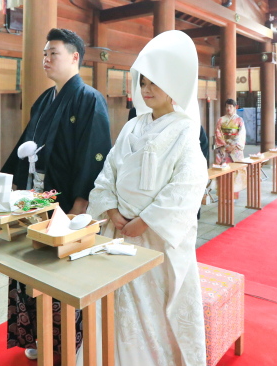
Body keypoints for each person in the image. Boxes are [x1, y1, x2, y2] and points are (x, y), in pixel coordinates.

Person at [88, 30, 208, 366]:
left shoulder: (185, 131)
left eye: (155, 81)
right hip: (119, 231)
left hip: (155, 239)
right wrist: (111, 211)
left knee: (153, 310)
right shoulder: (132, 127)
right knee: (113, 305)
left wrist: (146, 220)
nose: (147, 88)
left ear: (175, 86)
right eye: (143, 82)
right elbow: (109, 171)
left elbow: (187, 185)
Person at [0, 28, 112, 361]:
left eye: (54, 53)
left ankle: (64, 343)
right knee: (27, 269)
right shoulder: (43, 100)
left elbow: (95, 154)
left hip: (65, 205)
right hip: (34, 200)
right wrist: (14, 185)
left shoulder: (90, 99)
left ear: (75, 57)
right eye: (45, 54)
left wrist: (81, 204)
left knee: (58, 275)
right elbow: (25, 147)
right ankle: (33, 333)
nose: (46, 60)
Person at [214, 99, 246, 192]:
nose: (228, 108)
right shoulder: (221, 119)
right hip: (223, 148)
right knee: (222, 170)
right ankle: (222, 193)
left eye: (230, 107)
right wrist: (224, 145)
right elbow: (218, 133)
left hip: (235, 149)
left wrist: (234, 145)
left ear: (235, 107)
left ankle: (234, 194)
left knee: (236, 171)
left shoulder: (239, 120)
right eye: (227, 106)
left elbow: (241, 134)